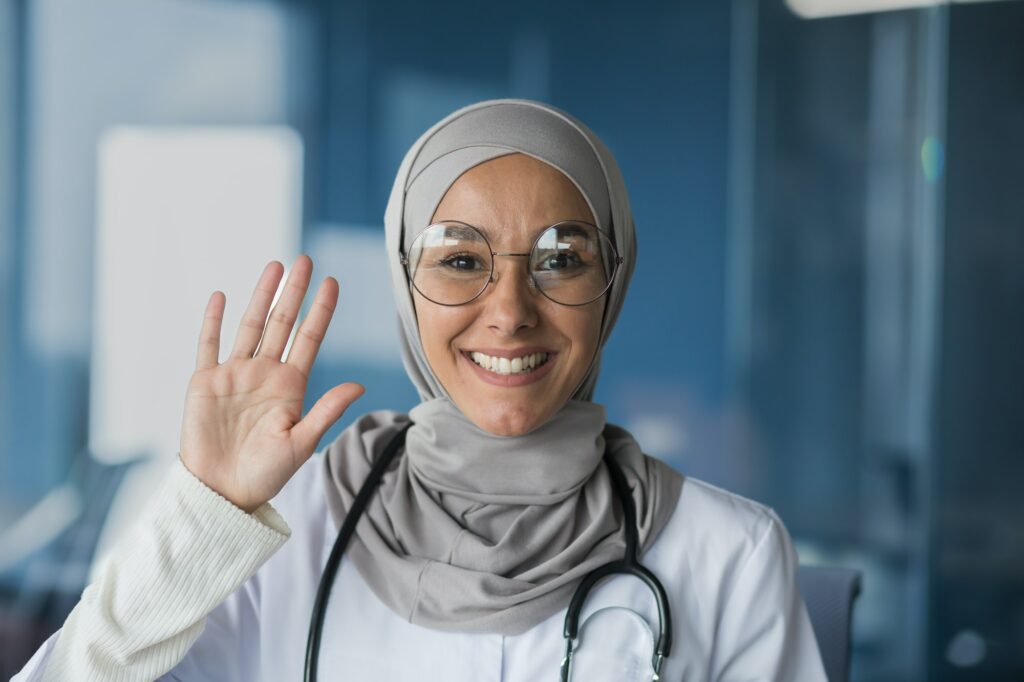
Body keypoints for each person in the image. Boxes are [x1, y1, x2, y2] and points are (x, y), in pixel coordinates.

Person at [14, 99, 827, 681]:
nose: (509, 313)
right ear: (406, 284)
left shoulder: (730, 555)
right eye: (460, 259)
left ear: (612, 280)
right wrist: (203, 512)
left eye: (561, 257)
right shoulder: (284, 534)